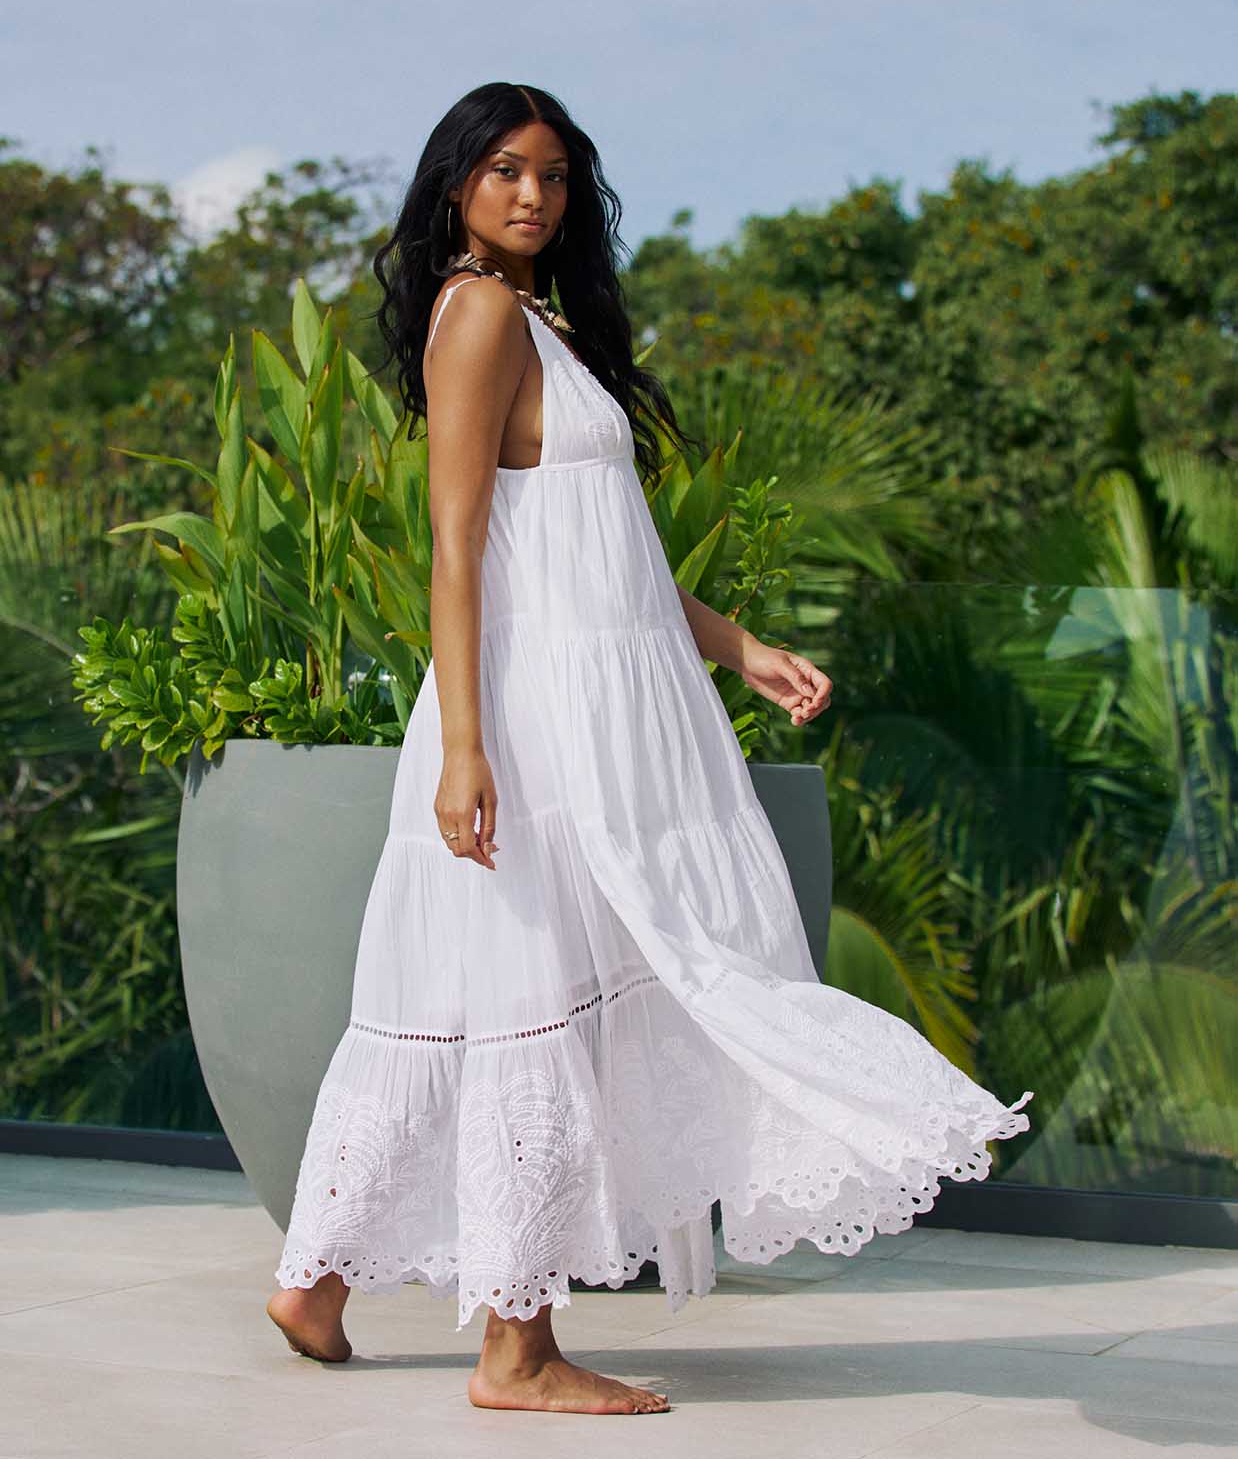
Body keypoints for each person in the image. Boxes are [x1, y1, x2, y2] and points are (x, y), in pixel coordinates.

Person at [265, 82, 1033, 1417]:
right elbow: (456, 546)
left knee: (470, 1001)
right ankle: (513, 1352)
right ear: (455, 184)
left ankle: (315, 1283)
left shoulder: (540, 327)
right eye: (503, 170)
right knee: (536, 1004)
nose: (532, 196)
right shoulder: (482, 312)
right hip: (532, 722)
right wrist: (463, 746)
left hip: (601, 707)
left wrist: (735, 647)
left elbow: (589, 552)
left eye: (555, 176)